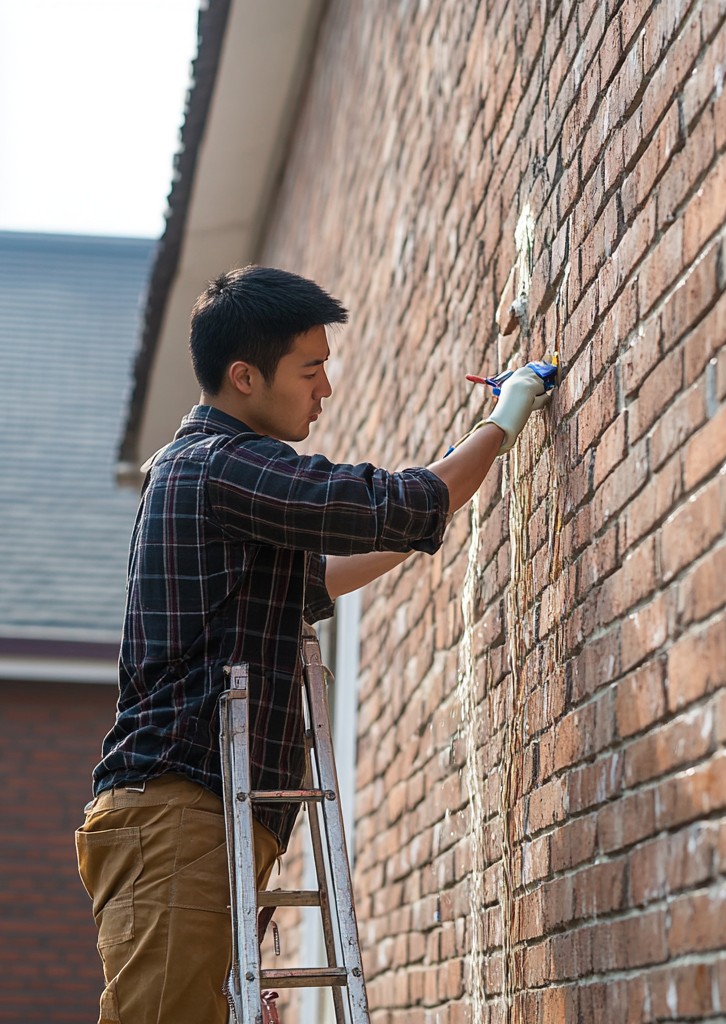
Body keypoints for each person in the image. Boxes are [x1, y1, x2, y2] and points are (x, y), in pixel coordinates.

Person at [75, 265, 552, 1023]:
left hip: (203, 817)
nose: (325, 389)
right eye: (311, 369)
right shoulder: (219, 466)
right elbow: (376, 504)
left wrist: (432, 508)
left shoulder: (213, 482)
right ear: (244, 377)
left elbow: (325, 575)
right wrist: (497, 430)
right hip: (179, 817)